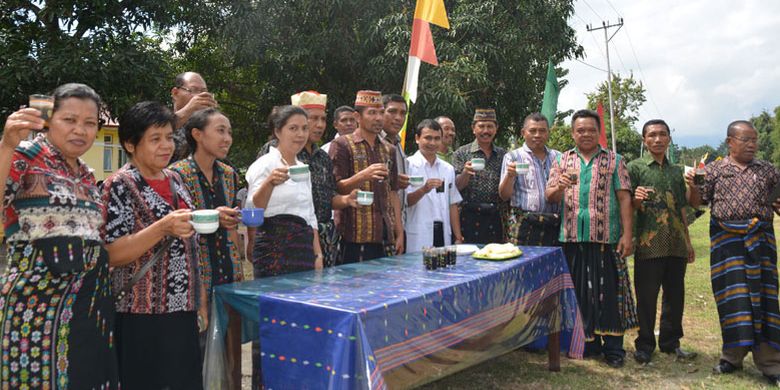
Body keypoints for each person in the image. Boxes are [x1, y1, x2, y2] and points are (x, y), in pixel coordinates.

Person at [0, 83, 118, 388]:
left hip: (85, 311)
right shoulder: (25, 155)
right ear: (49, 119)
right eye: (70, 120)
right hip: (34, 314)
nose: (81, 130)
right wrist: (6, 146)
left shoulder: (88, 175)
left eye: (90, 123)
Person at [103, 101, 205, 389]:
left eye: (170, 137)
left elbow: (189, 246)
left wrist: (199, 300)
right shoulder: (119, 185)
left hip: (182, 310)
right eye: (155, 139)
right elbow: (113, 253)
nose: (166, 146)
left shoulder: (175, 179)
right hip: (140, 314)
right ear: (131, 144)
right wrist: (162, 227)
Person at [687, 120, 780, 385]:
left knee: (765, 298)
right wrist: (693, 185)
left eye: (755, 140)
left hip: (760, 242)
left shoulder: (768, 170)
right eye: (746, 140)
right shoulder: (714, 170)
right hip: (726, 243)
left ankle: (771, 363)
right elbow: (698, 203)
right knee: (732, 299)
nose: (752, 145)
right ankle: (732, 357)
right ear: (730, 142)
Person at [545, 109, 637, 368]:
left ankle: (614, 350)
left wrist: (627, 235)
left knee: (609, 293)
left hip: (605, 238)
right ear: (573, 132)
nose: (586, 134)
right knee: (579, 294)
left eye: (591, 130)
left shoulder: (615, 160)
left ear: (599, 132)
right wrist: (559, 186)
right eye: (580, 130)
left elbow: (624, 198)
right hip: (572, 237)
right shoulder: (562, 160)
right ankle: (587, 344)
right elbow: (550, 196)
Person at [245, 105, 321, 388]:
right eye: (293, 128)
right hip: (274, 247)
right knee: (272, 321)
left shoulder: (303, 167)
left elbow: (310, 213)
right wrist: (269, 184)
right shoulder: (264, 165)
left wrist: (317, 252)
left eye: (304, 128)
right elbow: (251, 213)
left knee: (299, 319)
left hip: (302, 247)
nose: (300, 134)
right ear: (277, 131)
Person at [252, 91, 356, 267]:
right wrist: (252, 240)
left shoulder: (323, 156)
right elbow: (254, 203)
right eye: (313, 119)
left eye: (323, 119)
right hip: (277, 241)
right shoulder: (271, 153)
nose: (319, 125)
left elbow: (325, 199)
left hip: (319, 238)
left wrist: (347, 199)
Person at [628, 119, 697, 364]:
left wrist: (688, 242)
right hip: (648, 244)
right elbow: (628, 207)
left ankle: (671, 342)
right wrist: (636, 199)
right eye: (652, 135)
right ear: (644, 140)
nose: (658, 139)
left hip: (676, 242)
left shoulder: (678, 171)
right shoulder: (634, 168)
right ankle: (645, 344)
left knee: (675, 295)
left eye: (662, 134)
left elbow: (683, 208)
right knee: (646, 296)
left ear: (669, 138)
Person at [169, 108, 243, 321]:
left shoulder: (229, 175)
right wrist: (211, 216)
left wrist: (238, 268)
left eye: (229, 132)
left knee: (229, 345)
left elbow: (232, 229)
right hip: (194, 276)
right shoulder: (177, 174)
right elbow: (175, 224)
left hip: (228, 273)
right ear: (197, 134)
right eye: (220, 131)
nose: (227, 138)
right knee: (198, 345)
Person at [330, 90, 404, 262]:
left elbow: (393, 192)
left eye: (380, 112)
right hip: (353, 235)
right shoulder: (342, 145)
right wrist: (363, 175)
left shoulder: (389, 149)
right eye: (372, 113)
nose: (378, 118)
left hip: (384, 236)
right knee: (354, 287)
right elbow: (336, 188)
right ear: (357, 116)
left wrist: (399, 232)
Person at [499, 113, 561, 246]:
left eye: (542, 131)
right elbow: (504, 196)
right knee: (522, 264)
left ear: (548, 133)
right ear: (523, 132)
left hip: (553, 223)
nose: (537, 135)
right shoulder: (513, 157)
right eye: (532, 131)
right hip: (523, 222)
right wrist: (510, 176)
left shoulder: (558, 157)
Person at [405, 119, 464, 252]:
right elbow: (405, 201)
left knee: (443, 269)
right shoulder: (408, 165)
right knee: (417, 270)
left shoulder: (447, 169)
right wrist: (424, 190)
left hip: (443, 232)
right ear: (417, 139)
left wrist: (458, 237)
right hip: (418, 232)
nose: (432, 143)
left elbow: (452, 203)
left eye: (437, 138)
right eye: (428, 138)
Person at [452, 108, 506, 244]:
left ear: (496, 128)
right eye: (481, 126)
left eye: (490, 126)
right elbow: (456, 188)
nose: (486, 131)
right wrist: (466, 173)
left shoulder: (504, 155)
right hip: (468, 217)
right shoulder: (461, 153)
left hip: (496, 217)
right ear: (473, 128)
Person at [170, 71, 218, 162]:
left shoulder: (203, 130)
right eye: (194, 90)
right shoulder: (158, 117)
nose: (200, 95)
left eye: (204, 91)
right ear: (175, 93)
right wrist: (189, 108)